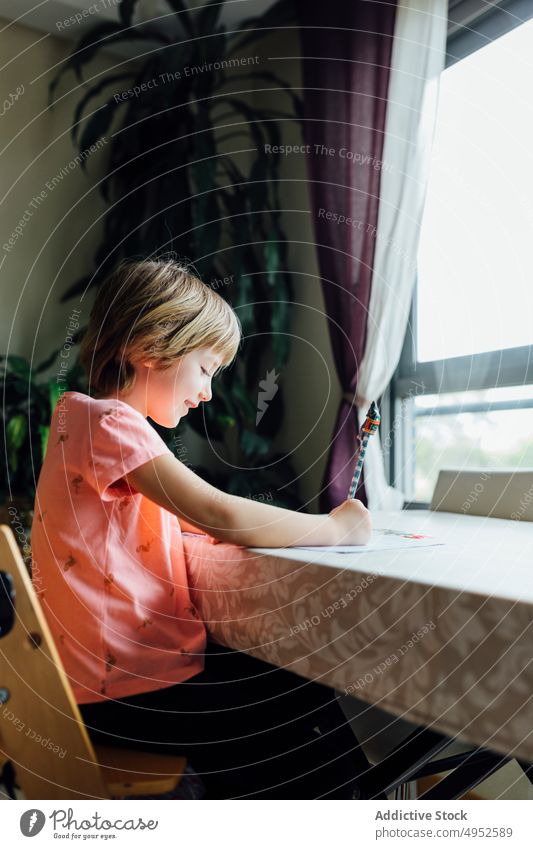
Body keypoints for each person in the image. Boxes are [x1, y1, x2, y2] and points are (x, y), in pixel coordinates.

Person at [31, 256, 372, 799]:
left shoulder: (85, 424)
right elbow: (221, 513)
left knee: (284, 692)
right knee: (300, 698)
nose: (209, 392)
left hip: (107, 689)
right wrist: (335, 529)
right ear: (151, 346)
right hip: (123, 695)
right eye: (207, 368)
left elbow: (154, 533)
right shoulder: (111, 422)